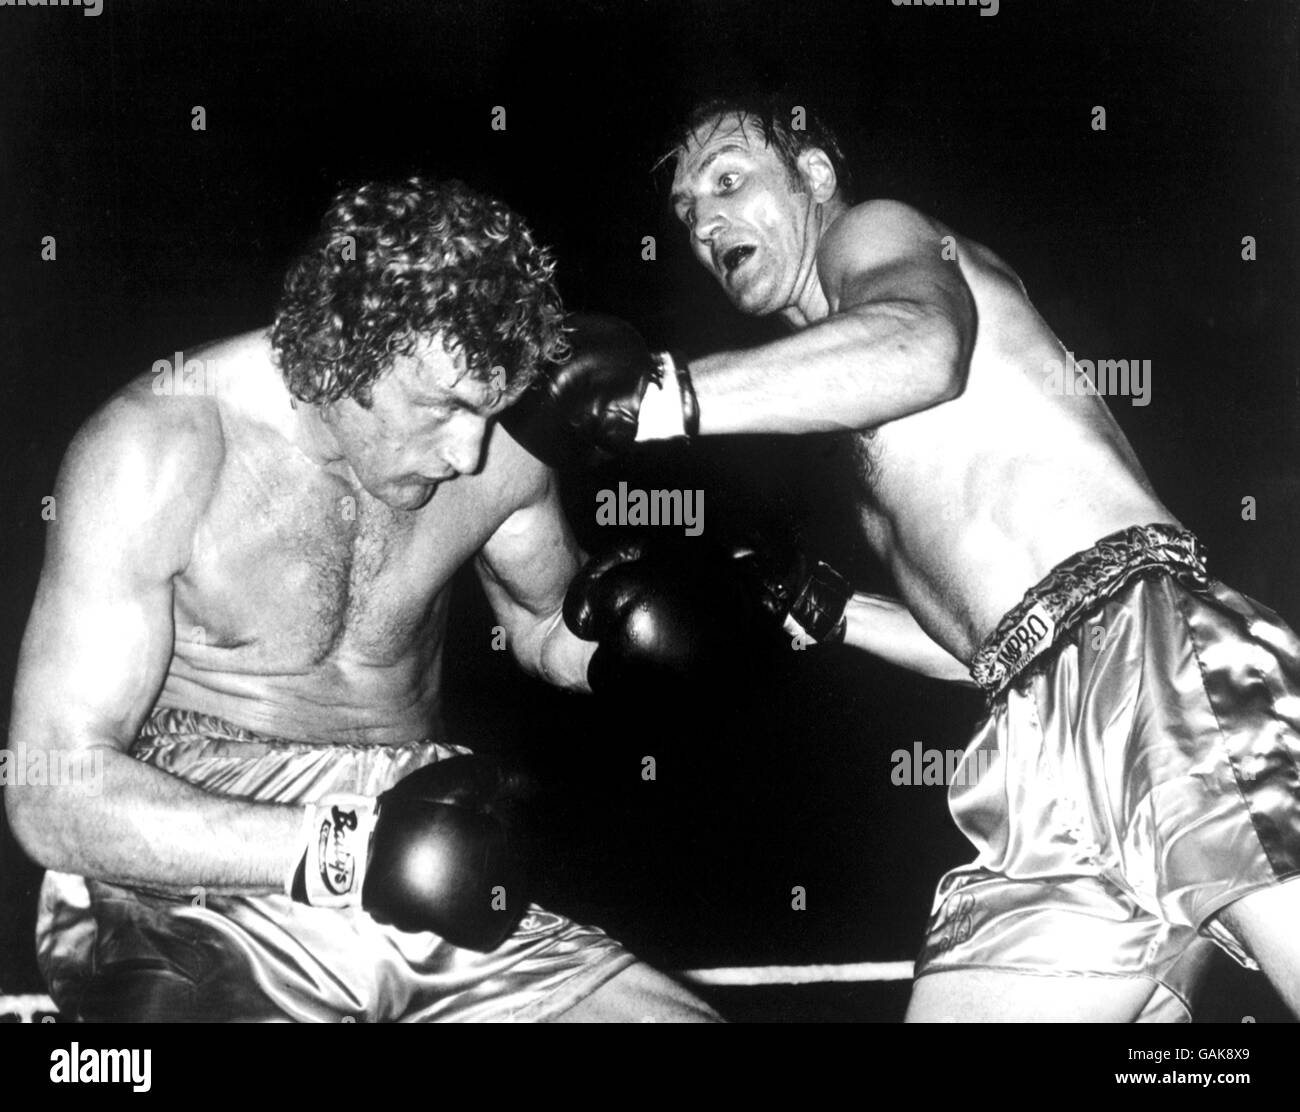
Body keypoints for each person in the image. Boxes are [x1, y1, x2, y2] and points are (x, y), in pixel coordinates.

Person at [508, 95, 1300, 1022]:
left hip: (1152, 657)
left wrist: (653, 399)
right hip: (1034, 741)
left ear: (813, 176)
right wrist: (822, 609)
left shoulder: (877, 237)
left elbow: (924, 350)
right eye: (687, 214)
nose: (707, 221)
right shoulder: (850, 406)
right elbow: (990, 647)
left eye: (728, 181)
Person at [4, 177, 723, 1022]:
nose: (468, 451)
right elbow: (51, 790)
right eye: (443, 409)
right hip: (199, 867)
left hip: (431, 834)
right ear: (343, 355)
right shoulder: (160, 446)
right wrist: (345, 847)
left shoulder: (498, 443)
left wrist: (638, 626)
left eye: (490, 410)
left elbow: (544, 626)